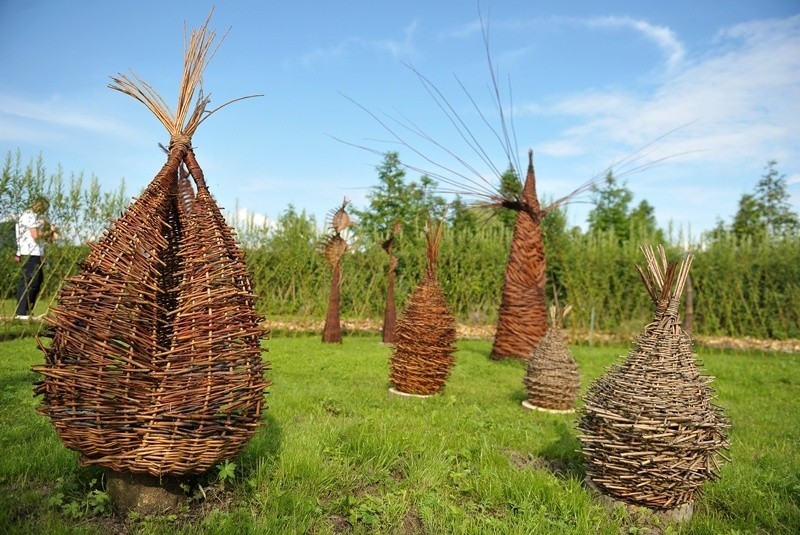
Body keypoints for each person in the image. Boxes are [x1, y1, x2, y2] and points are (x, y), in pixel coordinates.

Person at [14, 196, 57, 320]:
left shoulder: (30, 216)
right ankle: (22, 313)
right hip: (30, 252)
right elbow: (36, 236)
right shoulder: (30, 216)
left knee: (36, 281)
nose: (44, 211)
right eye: (44, 208)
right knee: (30, 281)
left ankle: (26, 311)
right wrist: (50, 232)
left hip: (33, 252)